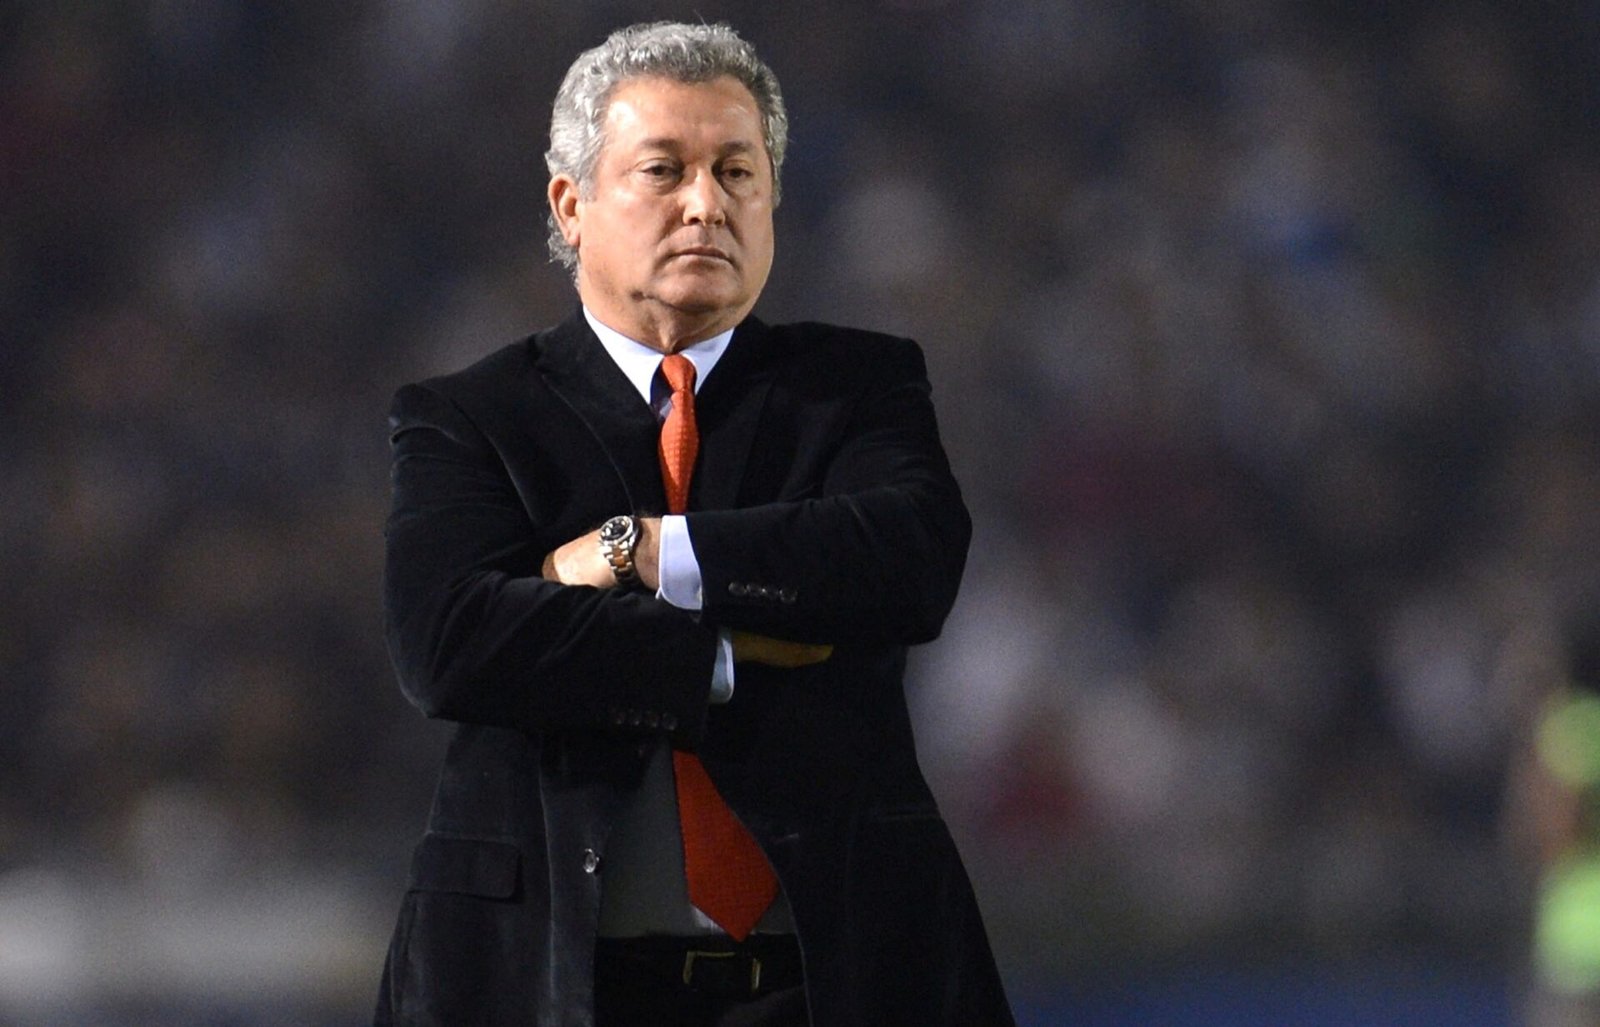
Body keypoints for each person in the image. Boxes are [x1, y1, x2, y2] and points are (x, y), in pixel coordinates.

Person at [373, 21, 1013, 1027]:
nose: (706, 204)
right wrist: (714, 655)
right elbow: (451, 644)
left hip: (833, 982)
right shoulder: (470, 417)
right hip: (551, 985)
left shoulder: (858, 387)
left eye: (737, 172)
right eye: (664, 170)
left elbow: (910, 563)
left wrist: (640, 552)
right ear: (571, 203)